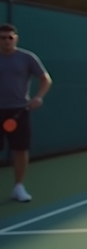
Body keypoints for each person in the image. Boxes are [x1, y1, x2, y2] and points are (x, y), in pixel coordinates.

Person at [0, 23, 53, 202]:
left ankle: (18, 187)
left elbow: (45, 79)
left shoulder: (27, 57)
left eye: (10, 37)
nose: (6, 41)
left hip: (19, 111)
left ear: (15, 38)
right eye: (2, 38)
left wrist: (38, 97)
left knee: (20, 149)